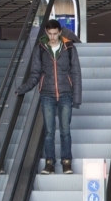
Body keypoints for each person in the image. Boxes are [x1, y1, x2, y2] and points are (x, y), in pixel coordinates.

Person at [23, 18, 81, 174]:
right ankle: (50, 163)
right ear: (46, 33)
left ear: (60, 32)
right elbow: (35, 73)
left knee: (65, 130)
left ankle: (66, 162)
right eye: (50, 34)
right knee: (49, 131)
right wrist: (23, 88)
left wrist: (77, 98)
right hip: (47, 94)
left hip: (65, 94)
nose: (53, 37)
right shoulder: (40, 49)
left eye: (55, 34)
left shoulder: (69, 48)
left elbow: (76, 73)